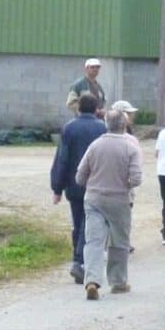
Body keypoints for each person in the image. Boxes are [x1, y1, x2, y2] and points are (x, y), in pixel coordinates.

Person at [75, 107, 143, 300]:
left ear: (106, 124)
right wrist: (125, 184)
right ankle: (118, 281)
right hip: (119, 199)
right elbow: (136, 178)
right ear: (124, 125)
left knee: (94, 241)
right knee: (119, 241)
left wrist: (92, 183)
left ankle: (92, 281)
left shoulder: (95, 145)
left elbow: (80, 176)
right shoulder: (131, 147)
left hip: (94, 198)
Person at [50, 92, 106, 284]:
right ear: (96, 109)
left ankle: (78, 259)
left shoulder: (69, 128)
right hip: (96, 183)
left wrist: (56, 187)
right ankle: (79, 261)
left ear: (79, 108)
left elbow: (62, 158)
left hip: (73, 184)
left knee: (78, 222)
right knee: (88, 223)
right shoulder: (102, 128)